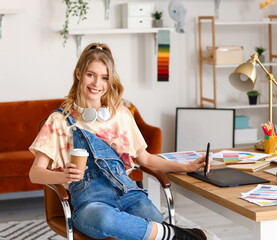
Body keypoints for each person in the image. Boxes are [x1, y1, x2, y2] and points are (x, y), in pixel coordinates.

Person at [29, 42, 209, 240]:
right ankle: (178, 235)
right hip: (91, 204)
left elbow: (147, 160)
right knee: (106, 220)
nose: (97, 84)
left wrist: (187, 166)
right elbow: (35, 173)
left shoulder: (121, 115)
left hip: (130, 194)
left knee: (154, 229)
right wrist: (63, 177)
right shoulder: (59, 120)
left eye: (104, 78)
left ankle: (170, 234)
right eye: (91, 75)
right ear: (79, 74)